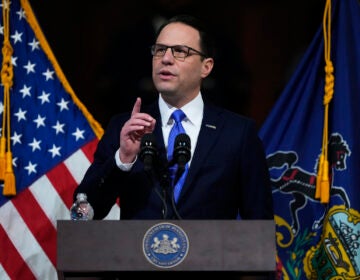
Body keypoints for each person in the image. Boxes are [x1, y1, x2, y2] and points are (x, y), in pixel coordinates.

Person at [74, 14, 273, 221]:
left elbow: (259, 225)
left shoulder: (238, 133)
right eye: (160, 50)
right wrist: (123, 159)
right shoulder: (124, 127)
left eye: (180, 51)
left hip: (212, 253)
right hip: (135, 254)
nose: (166, 59)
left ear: (206, 67)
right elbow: (82, 213)